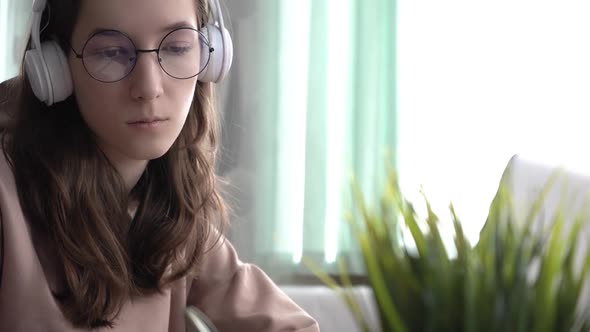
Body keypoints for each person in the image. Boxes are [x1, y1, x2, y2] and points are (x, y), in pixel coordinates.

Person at [0, 0, 320, 331]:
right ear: (56, 66)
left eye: (177, 47)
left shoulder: (168, 215)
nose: (149, 88)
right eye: (111, 52)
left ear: (211, 54)